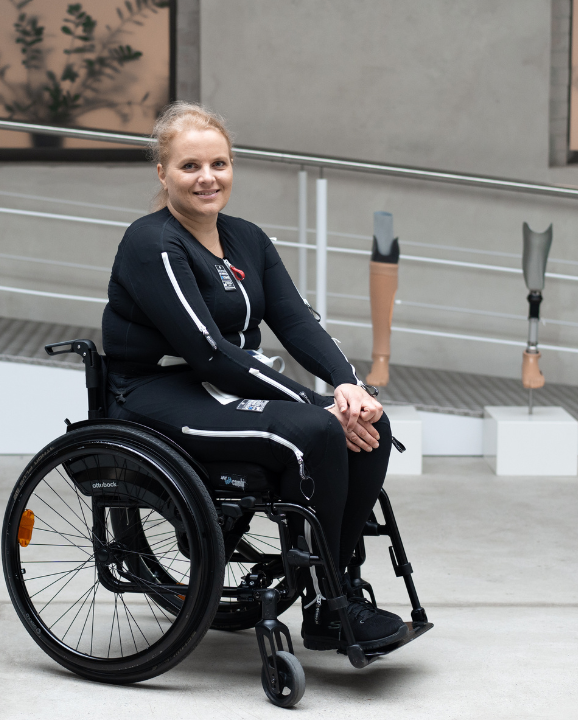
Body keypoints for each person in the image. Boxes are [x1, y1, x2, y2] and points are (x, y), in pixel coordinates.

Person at [101, 101, 406, 650]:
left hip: (226, 385)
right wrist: (315, 405)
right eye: (190, 166)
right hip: (155, 392)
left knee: (372, 426)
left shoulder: (247, 238)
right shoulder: (153, 244)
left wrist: (347, 386)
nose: (207, 178)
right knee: (315, 430)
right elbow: (210, 354)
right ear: (162, 172)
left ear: (232, 167)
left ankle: (334, 586)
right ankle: (330, 604)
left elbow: (294, 320)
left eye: (218, 164)